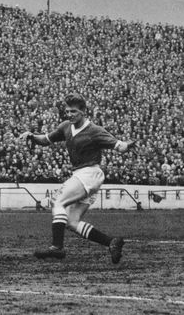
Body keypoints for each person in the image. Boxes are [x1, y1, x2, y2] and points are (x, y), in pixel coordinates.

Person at [19, 94, 135, 263]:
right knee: (71, 222)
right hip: (83, 175)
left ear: (83, 111)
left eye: (73, 111)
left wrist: (127, 145)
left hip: (89, 173)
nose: (70, 114)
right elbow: (46, 139)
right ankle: (111, 242)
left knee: (58, 201)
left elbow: (118, 145)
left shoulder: (94, 130)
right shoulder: (66, 126)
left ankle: (57, 248)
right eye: (67, 111)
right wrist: (31, 136)